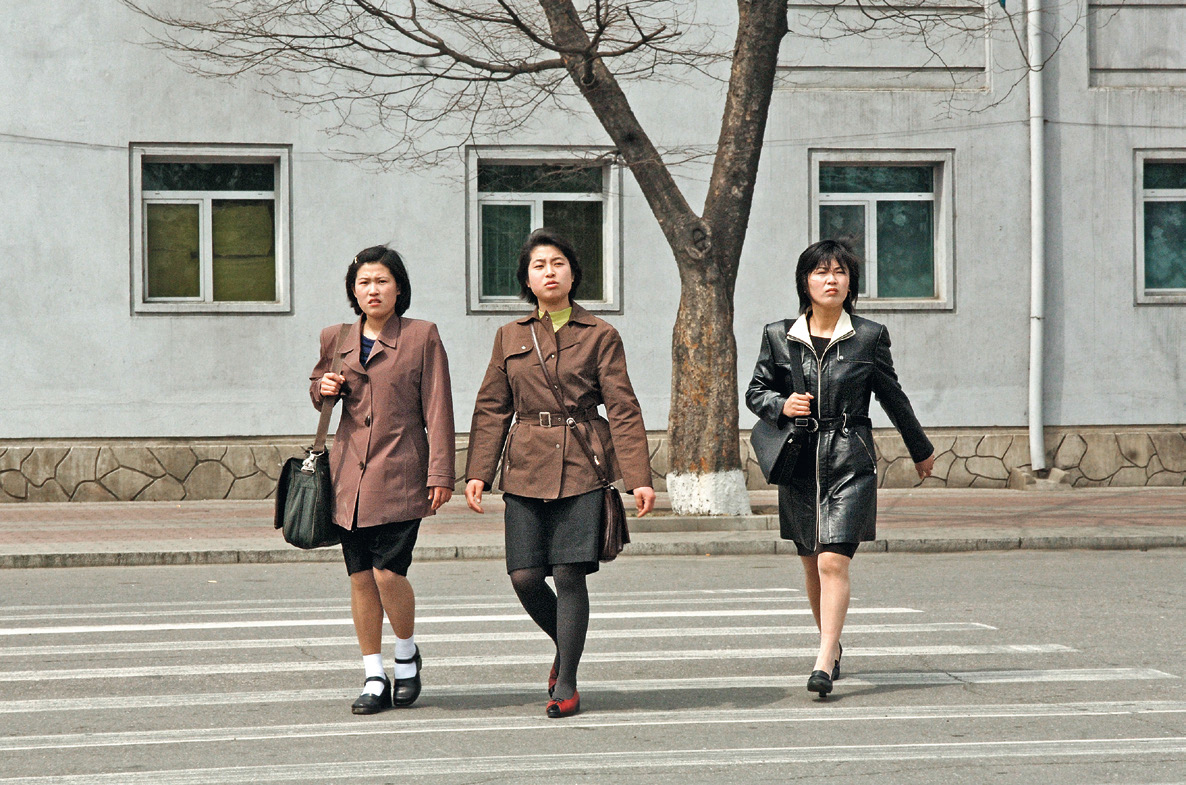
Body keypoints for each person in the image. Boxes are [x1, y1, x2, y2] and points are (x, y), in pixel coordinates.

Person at [464, 228, 656, 718]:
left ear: (572, 272)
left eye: (558, 264)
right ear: (527, 280)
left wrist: (638, 476)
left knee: (570, 575)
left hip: (582, 464)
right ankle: (565, 646)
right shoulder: (509, 336)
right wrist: (478, 471)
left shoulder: (600, 335)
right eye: (538, 266)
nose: (549, 272)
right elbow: (491, 408)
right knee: (526, 577)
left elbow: (623, 408)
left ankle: (566, 680)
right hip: (525, 464)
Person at [745, 239, 934, 699]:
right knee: (811, 560)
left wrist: (920, 447)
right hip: (799, 459)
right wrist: (780, 403)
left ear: (850, 283)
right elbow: (755, 391)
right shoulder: (779, 334)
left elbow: (892, 395)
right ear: (804, 282)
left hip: (850, 457)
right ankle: (832, 642)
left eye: (840, 273)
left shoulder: (868, 336)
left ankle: (824, 659)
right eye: (820, 272)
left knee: (833, 559)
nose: (831, 280)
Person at [309, 246, 455, 714]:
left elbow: (438, 408)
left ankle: (407, 654)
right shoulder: (336, 338)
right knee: (359, 579)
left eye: (382, 281)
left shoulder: (421, 336)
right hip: (349, 478)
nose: (373, 290)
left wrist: (441, 472)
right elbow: (319, 390)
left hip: (401, 474)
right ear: (354, 290)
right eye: (364, 283)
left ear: (399, 287)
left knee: (389, 572)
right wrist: (322, 388)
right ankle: (374, 675)